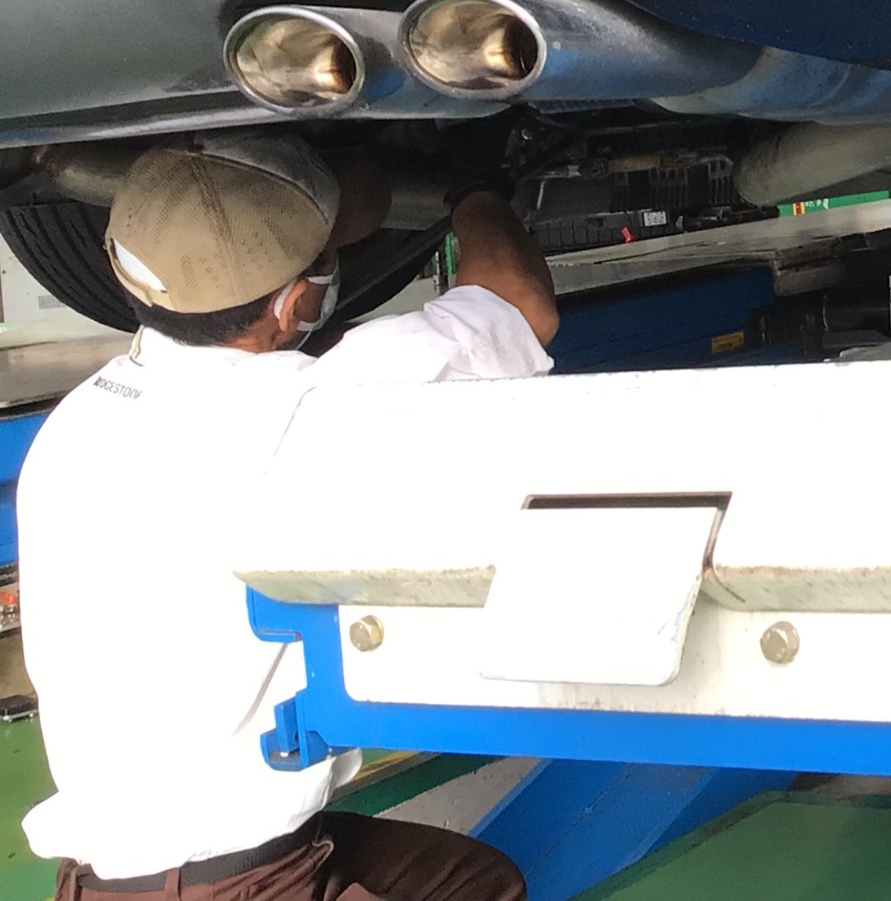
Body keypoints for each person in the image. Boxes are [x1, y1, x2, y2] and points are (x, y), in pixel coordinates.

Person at [17, 132, 561, 901]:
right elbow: (520, 303)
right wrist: (475, 188)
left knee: (478, 878)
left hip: (113, 872)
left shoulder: (82, 417)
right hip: (236, 885)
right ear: (295, 302)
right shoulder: (315, 406)